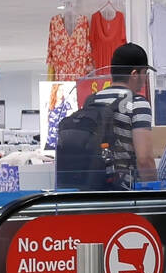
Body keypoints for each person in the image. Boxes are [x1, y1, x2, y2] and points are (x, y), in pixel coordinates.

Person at [58, 42, 156, 189]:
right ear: (134, 74)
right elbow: (144, 159)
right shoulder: (138, 103)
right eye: (144, 73)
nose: (145, 79)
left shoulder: (92, 100)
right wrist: (154, 190)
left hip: (92, 187)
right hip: (123, 190)